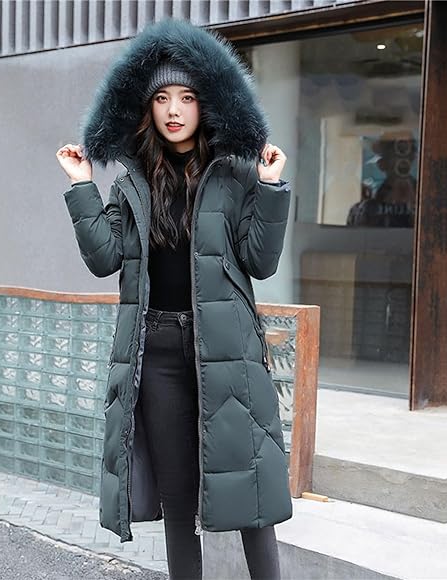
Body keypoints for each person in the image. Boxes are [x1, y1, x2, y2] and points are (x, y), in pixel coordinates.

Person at [56, 19, 292, 580]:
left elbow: (260, 262)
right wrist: (81, 183)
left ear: (206, 102)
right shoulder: (133, 179)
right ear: (147, 107)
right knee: (178, 500)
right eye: (162, 98)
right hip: (158, 351)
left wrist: (271, 189)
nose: (174, 110)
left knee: (252, 496)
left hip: (227, 351)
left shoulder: (236, 173)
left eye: (187, 97)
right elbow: (104, 258)